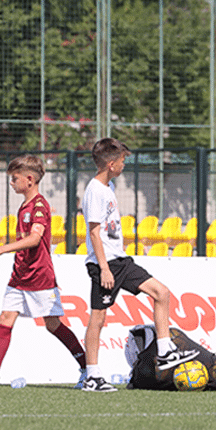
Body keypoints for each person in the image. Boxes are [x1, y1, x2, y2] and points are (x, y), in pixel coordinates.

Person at [81, 137, 196, 392]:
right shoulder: (95, 191)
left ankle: (165, 349)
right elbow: (94, 233)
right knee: (98, 319)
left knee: (161, 292)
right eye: (122, 160)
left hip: (121, 261)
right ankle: (92, 376)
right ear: (111, 164)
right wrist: (104, 269)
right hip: (106, 264)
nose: (124, 164)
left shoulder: (108, 186)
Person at [0, 154, 88, 388]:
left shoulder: (40, 206)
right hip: (19, 276)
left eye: (14, 179)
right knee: (5, 319)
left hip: (39, 277)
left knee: (53, 325)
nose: (11, 183)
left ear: (29, 180)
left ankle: (86, 368)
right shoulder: (25, 206)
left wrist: (2, 249)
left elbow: (35, 239)